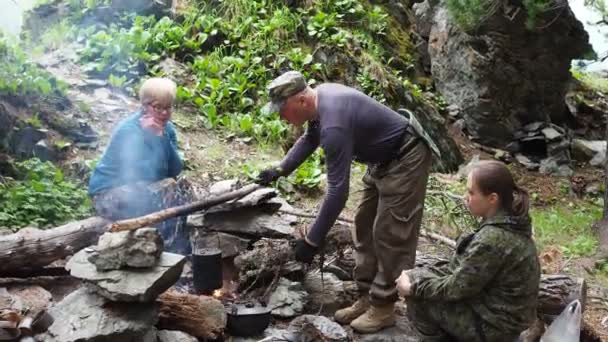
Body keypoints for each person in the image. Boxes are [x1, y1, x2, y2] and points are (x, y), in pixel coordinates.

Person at [255, 70, 439, 333]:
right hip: (382, 160)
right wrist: (280, 169)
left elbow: (337, 193)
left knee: (391, 232)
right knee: (363, 225)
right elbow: (310, 138)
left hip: (406, 156)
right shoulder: (321, 103)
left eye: (282, 110)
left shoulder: (334, 125)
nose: (281, 117)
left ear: (301, 101)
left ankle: (383, 306)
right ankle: (367, 296)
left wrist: (312, 240)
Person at [395, 160, 541, 341]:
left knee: (420, 299)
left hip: (496, 327)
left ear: (492, 198)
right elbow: (463, 272)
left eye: (471, 192)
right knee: (420, 276)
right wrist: (420, 275)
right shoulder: (509, 222)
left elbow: (456, 289)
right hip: (497, 312)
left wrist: (413, 287)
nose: (466, 197)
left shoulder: (493, 239)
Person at [88, 77, 193, 255]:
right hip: (109, 193)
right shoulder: (129, 131)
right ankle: (162, 251)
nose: (164, 113)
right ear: (144, 105)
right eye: (158, 107)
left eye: (168, 107)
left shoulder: (167, 130)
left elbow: (175, 169)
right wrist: (155, 138)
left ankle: (179, 251)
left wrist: (161, 138)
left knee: (182, 189)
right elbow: (146, 173)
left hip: (142, 187)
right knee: (160, 192)